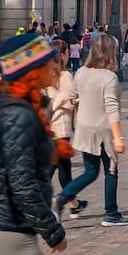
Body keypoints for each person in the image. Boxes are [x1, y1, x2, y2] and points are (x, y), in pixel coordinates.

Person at [0, 34, 68, 255]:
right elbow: (22, 183)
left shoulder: (29, 108)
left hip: (10, 227)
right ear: (32, 70)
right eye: (49, 60)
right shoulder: (18, 115)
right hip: (7, 230)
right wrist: (53, 231)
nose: (55, 64)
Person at [56, 34, 128, 227]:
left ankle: (62, 197)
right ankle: (111, 214)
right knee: (111, 171)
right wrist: (118, 138)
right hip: (104, 131)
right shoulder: (109, 77)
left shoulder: (81, 72)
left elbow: (72, 97)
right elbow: (112, 109)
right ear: (110, 53)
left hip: (84, 128)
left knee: (90, 171)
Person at [46, 39, 84, 215]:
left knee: (63, 165)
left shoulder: (46, 74)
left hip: (49, 126)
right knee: (53, 166)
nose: (69, 55)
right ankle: (48, 202)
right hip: (60, 126)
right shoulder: (65, 76)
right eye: (67, 52)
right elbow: (68, 100)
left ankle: (72, 201)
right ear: (62, 55)